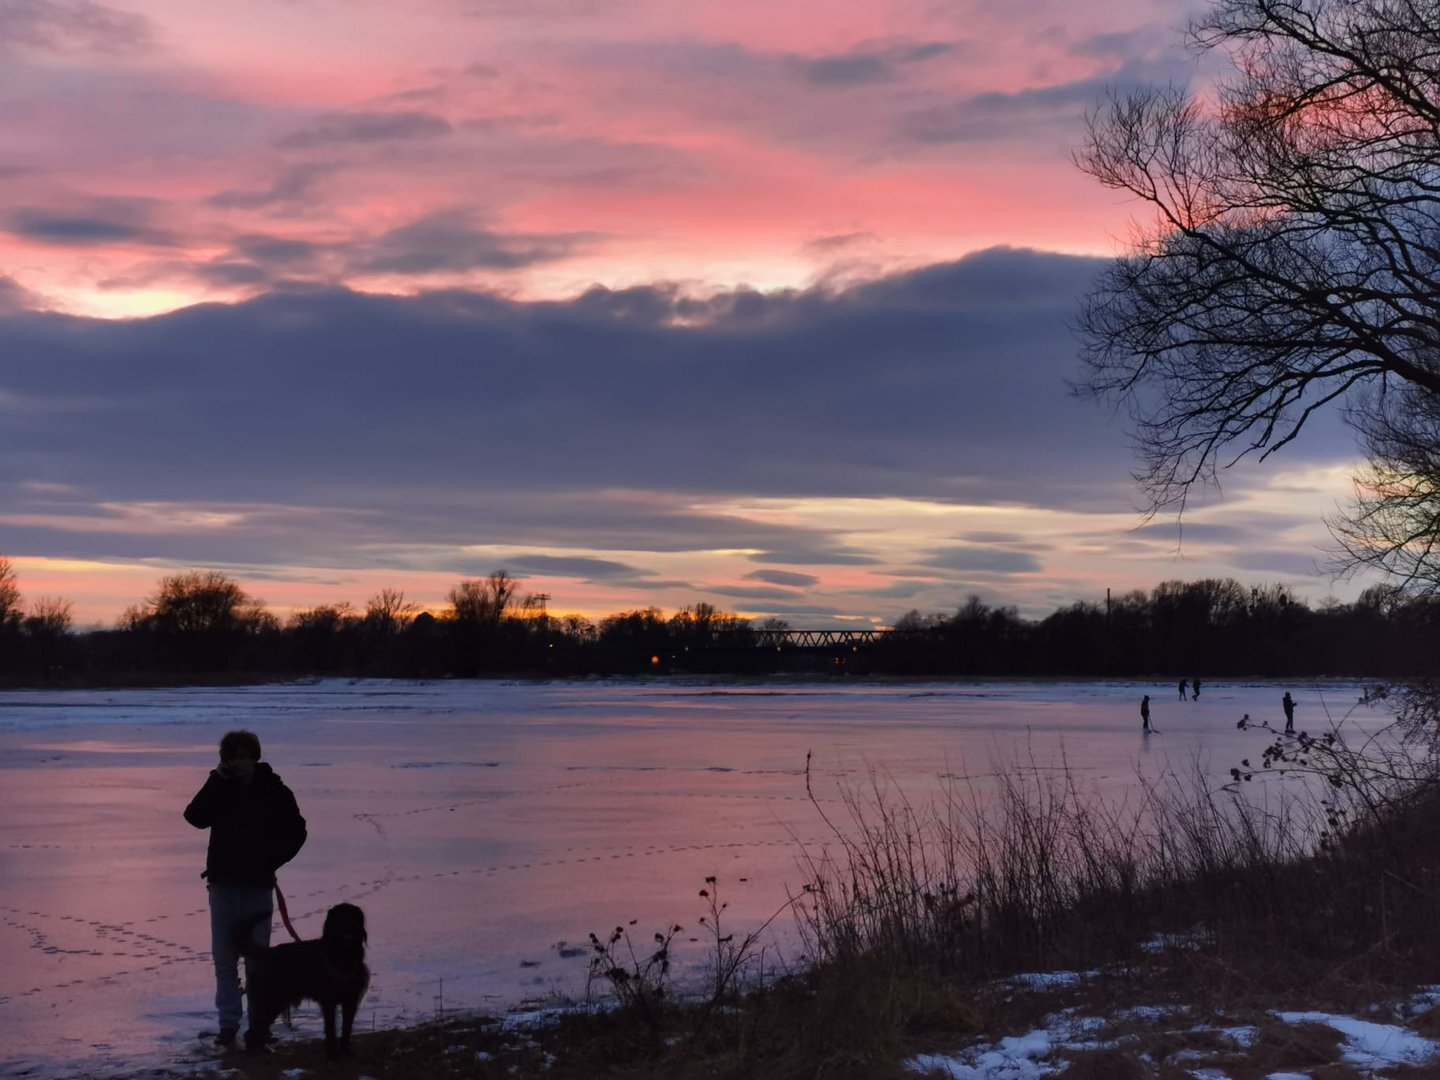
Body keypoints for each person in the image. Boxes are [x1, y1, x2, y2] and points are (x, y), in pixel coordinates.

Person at [184, 730, 307, 1050]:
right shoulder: (220, 787)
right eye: (231, 756)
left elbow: (297, 830)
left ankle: (258, 1027)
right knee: (224, 960)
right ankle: (228, 1027)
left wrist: (271, 860)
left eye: (243, 755)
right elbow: (194, 817)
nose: (238, 762)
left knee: (257, 963)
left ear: (255, 756)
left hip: (258, 886)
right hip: (223, 884)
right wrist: (216, 781)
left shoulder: (274, 789)